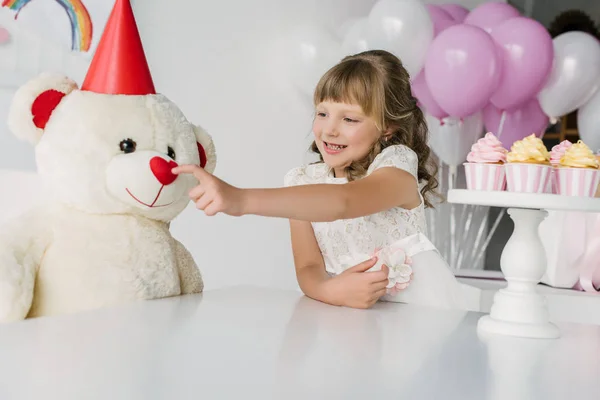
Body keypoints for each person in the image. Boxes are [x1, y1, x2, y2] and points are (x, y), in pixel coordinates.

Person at [173, 50, 480, 311]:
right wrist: (331, 291)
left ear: (387, 127)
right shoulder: (301, 182)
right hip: (356, 321)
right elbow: (308, 268)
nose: (329, 130)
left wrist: (240, 199)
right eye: (322, 113)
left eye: (349, 119)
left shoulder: (397, 167)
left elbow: (343, 202)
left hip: (422, 313)